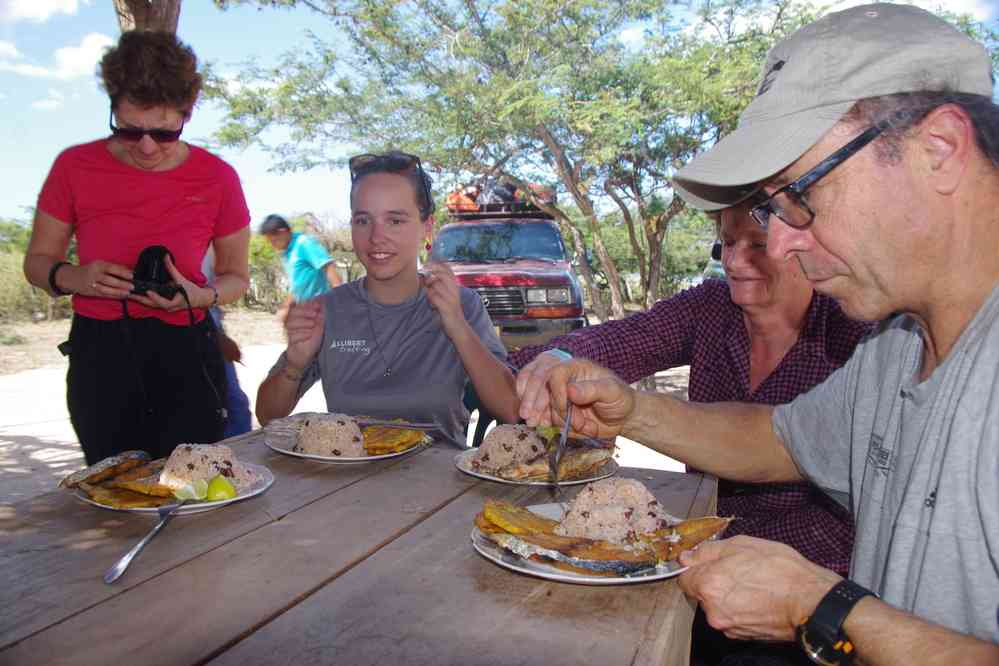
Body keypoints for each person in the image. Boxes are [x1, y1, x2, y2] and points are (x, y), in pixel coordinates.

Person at [525, 4, 999, 664]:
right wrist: (632, 410)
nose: (777, 241)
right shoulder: (895, 344)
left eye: (795, 196)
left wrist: (824, 607)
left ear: (937, 149)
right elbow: (779, 438)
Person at [514, 200, 873, 665]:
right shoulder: (710, 307)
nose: (733, 261)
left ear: (799, 243)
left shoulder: (852, 331)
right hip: (693, 569)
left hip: (801, 600)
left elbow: (850, 521)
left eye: (756, 245)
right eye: (725, 243)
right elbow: (620, 339)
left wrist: (712, 552)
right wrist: (560, 361)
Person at [23, 31, 250, 465]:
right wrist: (75, 278)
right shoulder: (74, 166)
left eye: (164, 133)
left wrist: (202, 296)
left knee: (194, 490)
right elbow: (37, 264)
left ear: (186, 113)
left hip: (188, 351)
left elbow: (237, 276)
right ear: (112, 107)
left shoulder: (218, 176)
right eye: (130, 130)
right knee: (116, 492)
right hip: (101, 353)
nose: (147, 147)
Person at [255, 151, 519, 446]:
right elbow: (268, 416)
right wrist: (295, 363)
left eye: (395, 220)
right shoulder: (329, 309)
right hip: (346, 480)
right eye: (363, 220)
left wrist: (456, 324)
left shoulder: (461, 304)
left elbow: (510, 409)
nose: (376, 236)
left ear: (426, 227)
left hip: (440, 485)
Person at [259, 213, 342, 323]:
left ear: (283, 232)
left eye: (273, 241)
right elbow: (298, 285)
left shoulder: (304, 243)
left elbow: (328, 266)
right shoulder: (287, 253)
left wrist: (341, 299)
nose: (272, 245)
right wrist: (285, 307)